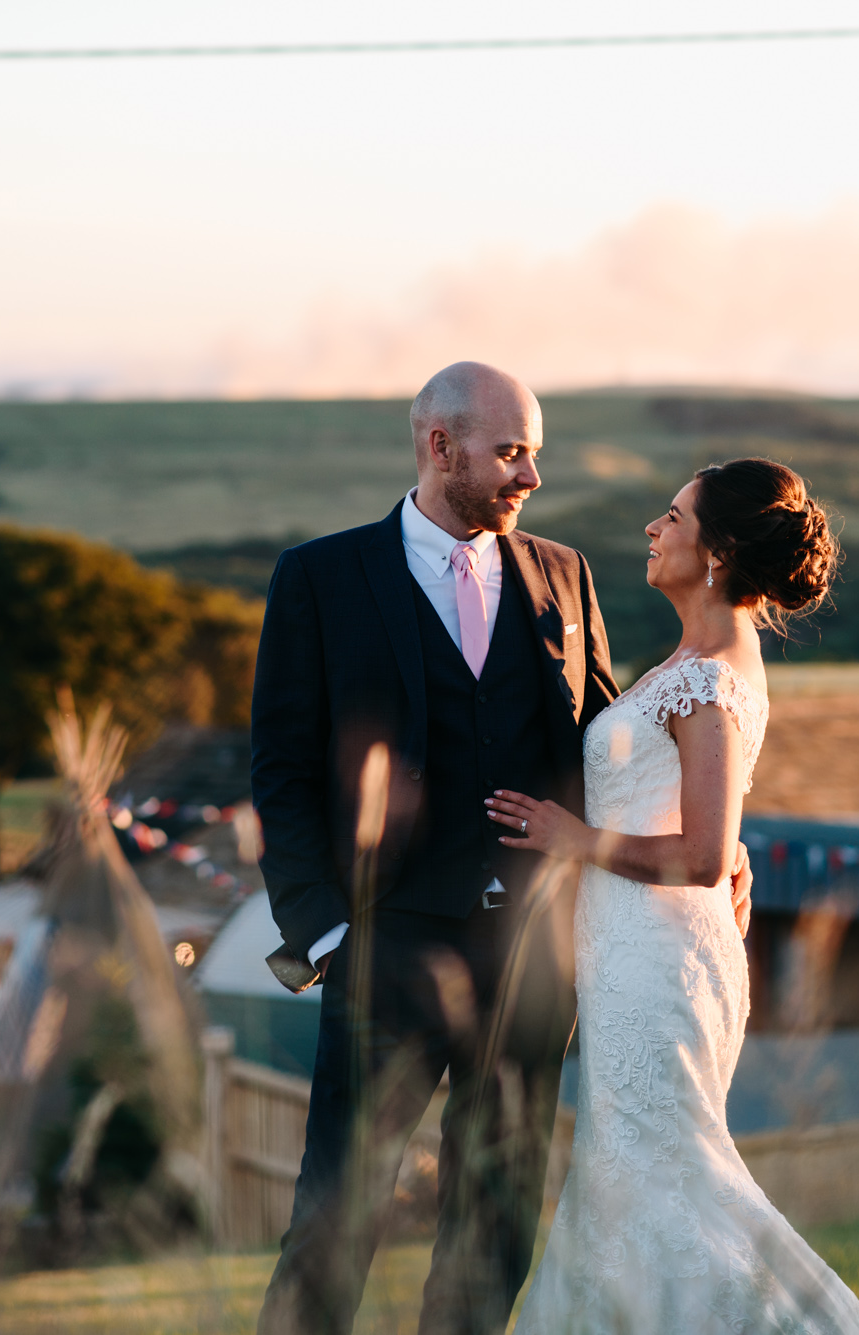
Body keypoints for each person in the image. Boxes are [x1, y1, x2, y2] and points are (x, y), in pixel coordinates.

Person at [250, 361, 752, 1335]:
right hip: (382, 949)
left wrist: (721, 838)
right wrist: (320, 935)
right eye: (510, 453)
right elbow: (278, 767)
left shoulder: (562, 574)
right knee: (335, 1218)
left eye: (534, 454)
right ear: (440, 448)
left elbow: (610, 740)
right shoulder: (319, 578)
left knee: (496, 1221)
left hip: (534, 955)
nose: (528, 479)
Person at [490, 459, 859, 1333]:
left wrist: (575, 838)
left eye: (671, 516)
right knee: (623, 1174)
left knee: (660, 1172)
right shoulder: (693, 660)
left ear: (718, 549)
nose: (652, 530)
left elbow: (704, 855)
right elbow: (708, 824)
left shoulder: (710, 678)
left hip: (661, 966)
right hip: (632, 952)